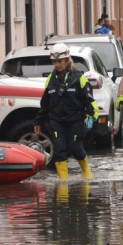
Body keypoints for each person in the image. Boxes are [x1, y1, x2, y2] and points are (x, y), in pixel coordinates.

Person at [33, 44, 99, 180]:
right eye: (55, 62)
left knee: (75, 147)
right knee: (59, 149)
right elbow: (45, 103)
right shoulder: (50, 80)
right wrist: (38, 121)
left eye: (60, 61)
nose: (57, 65)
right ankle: (63, 181)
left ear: (67, 60)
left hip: (76, 119)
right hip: (57, 120)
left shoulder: (79, 78)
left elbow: (88, 99)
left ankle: (86, 172)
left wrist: (92, 116)